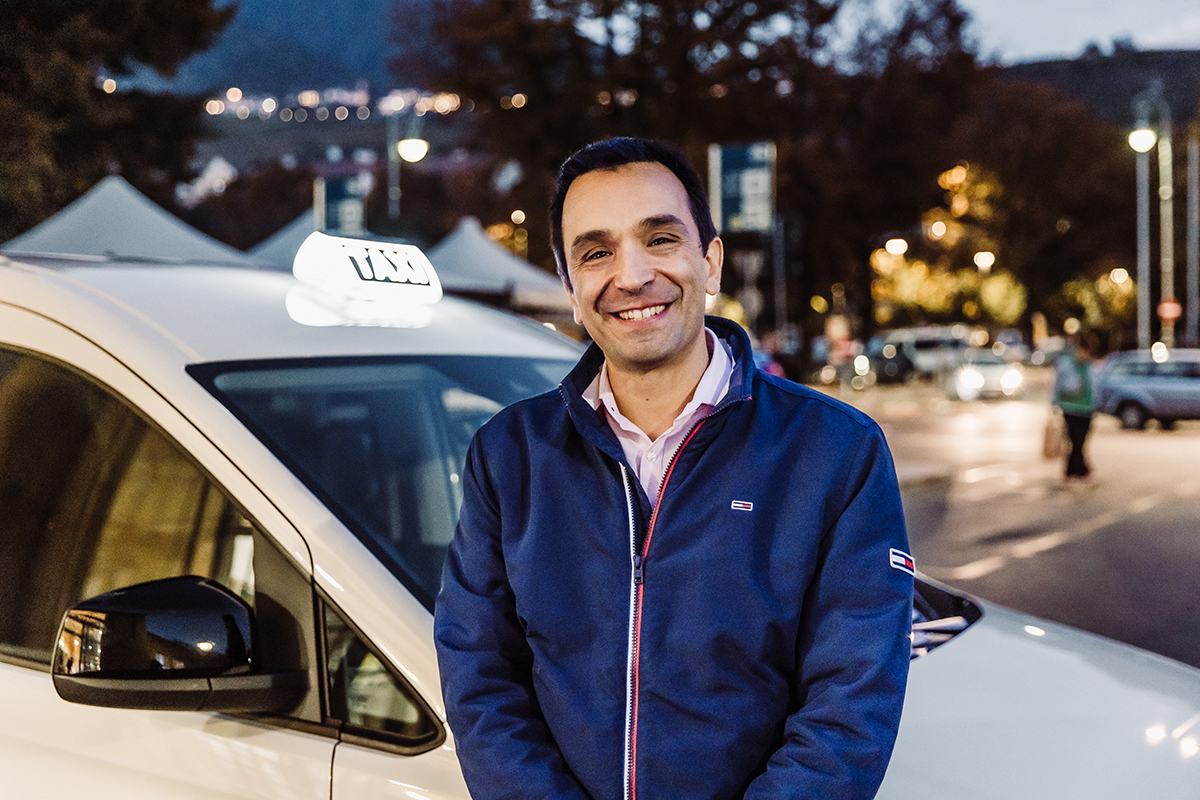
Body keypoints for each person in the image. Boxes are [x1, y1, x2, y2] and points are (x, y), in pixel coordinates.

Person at [434, 137, 914, 800]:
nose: (630, 275)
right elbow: (480, 678)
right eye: (596, 251)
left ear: (709, 261)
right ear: (571, 288)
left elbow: (851, 705)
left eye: (659, 238)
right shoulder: (509, 454)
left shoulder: (836, 450)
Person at [1053, 330, 1102, 482]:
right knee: (1076, 441)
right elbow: (1058, 385)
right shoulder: (1067, 364)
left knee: (1080, 442)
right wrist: (1054, 404)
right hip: (1071, 408)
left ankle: (1074, 471)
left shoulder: (1090, 366)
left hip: (1087, 409)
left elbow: (1094, 388)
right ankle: (1080, 471)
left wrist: (1096, 404)